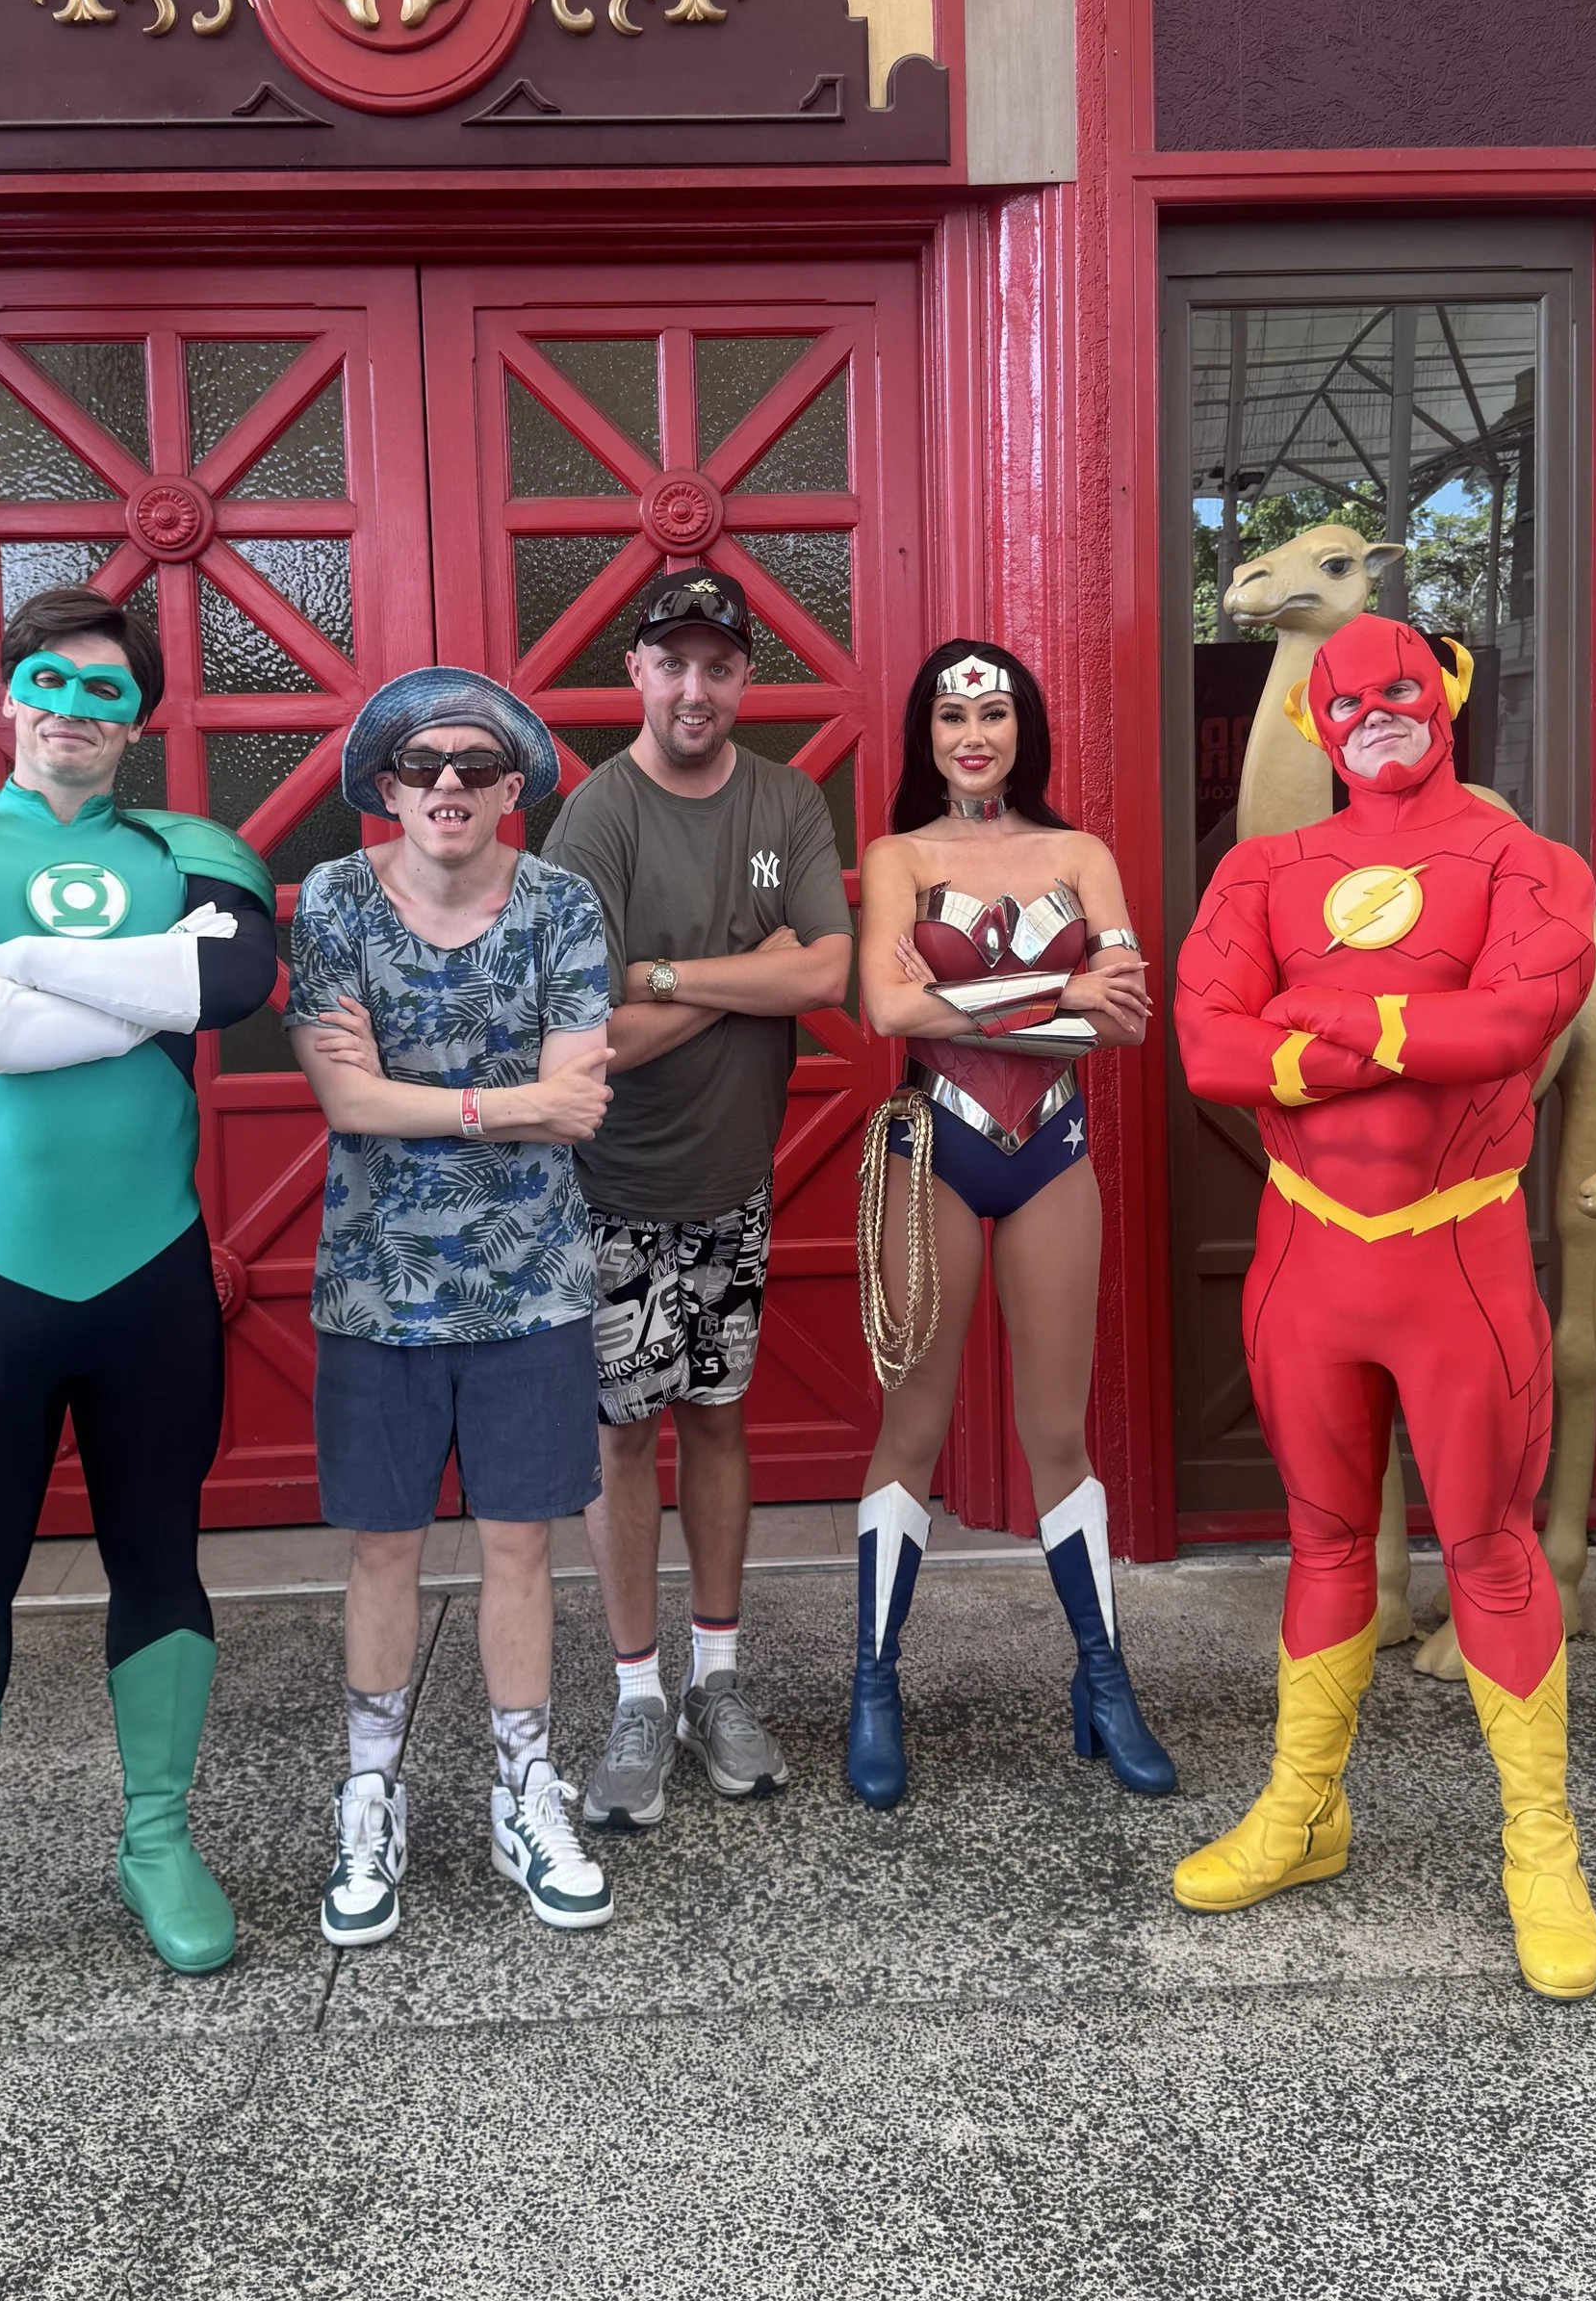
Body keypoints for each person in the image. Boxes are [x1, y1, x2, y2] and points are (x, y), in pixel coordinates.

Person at [0, 584, 279, 2053]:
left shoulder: (190, 853)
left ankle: (157, 1843)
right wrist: (123, 999)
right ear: (9, 693)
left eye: (105, 695)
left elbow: (233, 982)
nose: (73, 715)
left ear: (137, 722)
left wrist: (18, 974)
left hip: (148, 1268)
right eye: (50, 683)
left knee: (162, 1556)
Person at [1172, 609, 1596, 2000]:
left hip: (1454, 1260)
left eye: (1404, 684)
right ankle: (1305, 1811)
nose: (1377, 706)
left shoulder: (1526, 863)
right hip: (1313, 1259)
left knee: (1488, 1548)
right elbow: (1206, 1047)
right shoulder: (1264, 867)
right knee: (1321, 1540)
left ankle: (1541, 1846)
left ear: (1452, 694)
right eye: (1350, 694)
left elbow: (1509, 1028)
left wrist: (1324, 1021)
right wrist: (1390, 1036)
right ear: (1316, 718)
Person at [288, 666, 617, 1945]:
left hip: (533, 1277)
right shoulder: (329, 900)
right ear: (385, 783)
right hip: (377, 1285)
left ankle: (524, 1784)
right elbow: (348, 1101)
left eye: (477, 767)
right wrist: (506, 1104)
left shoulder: (563, 906)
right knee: (380, 1544)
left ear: (513, 788)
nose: (448, 786)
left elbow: (578, 1094)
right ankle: (370, 1788)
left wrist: (475, 1102)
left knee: (523, 1543)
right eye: (424, 766)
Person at [543, 565, 852, 1831]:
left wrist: (674, 971)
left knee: (718, 1421)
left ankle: (716, 1684)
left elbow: (827, 967)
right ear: (638, 675)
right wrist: (742, 978)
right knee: (623, 1437)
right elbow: (594, 1036)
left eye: (718, 665)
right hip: (611, 1188)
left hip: (732, 1187)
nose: (694, 687)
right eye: (671, 662)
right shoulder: (595, 819)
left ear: (742, 681)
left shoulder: (784, 804)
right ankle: (632, 1696)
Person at [846, 640, 1176, 1806]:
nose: (972, 733)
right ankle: (873, 1686)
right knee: (912, 1428)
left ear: (1023, 726)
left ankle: (1103, 1681)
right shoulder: (897, 854)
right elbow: (886, 1007)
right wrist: (1062, 995)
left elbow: (1129, 1022)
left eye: (992, 711)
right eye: (949, 715)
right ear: (924, 736)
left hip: (1049, 1155)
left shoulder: (1079, 852)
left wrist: (988, 1007)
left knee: (1055, 1432)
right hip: (932, 1148)